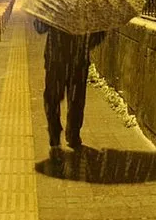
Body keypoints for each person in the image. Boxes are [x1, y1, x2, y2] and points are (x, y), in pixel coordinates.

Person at [33, 18, 105, 150]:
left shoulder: (54, 4)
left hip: (57, 59)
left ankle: (57, 132)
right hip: (75, 61)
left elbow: (39, 28)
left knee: (54, 98)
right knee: (74, 99)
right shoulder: (87, 8)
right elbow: (99, 33)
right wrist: (86, 44)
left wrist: (43, 18)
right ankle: (72, 133)